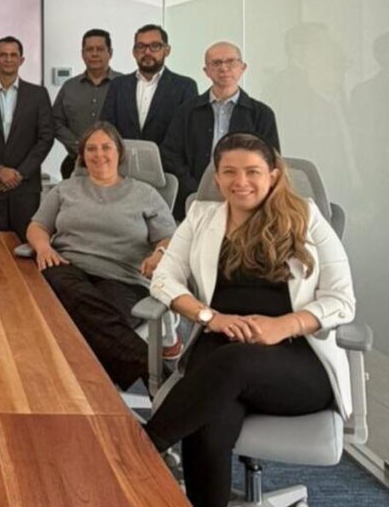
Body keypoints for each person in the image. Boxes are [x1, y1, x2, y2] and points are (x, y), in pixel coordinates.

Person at [144, 133, 355, 507]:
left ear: (273, 175)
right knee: (207, 428)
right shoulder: (202, 216)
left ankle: (138, 450)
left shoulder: (307, 217)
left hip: (295, 360)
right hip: (220, 347)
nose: (240, 181)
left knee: (231, 363)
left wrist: (283, 326)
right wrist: (210, 317)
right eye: (229, 172)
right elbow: (164, 279)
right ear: (217, 177)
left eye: (252, 171)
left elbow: (342, 300)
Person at [26, 122, 176, 389]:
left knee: (83, 323)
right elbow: (38, 226)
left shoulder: (145, 193)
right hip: (67, 267)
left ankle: (71, 392)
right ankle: (163, 382)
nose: (99, 155)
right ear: (82, 156)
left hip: (123, 278)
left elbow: (168, 237)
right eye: (91, 149)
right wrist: (44, 248)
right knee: (90, 314)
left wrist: (159, 254)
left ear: (119, 152)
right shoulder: (65, 189)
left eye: (106, 147)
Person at [162, 41, 279, 219]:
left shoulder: (261, 114)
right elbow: (170, 155)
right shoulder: (187, 111)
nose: (224, 68)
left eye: (231, 61)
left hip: (246, 199)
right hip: (194, 200)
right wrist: (197, 188)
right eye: (216, 63)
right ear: (206, 71)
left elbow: (271, 160)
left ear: (243, 67)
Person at [0, 36, 54, 241]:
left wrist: (19, 174)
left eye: (13, 55)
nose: (8, 59)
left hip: (26, 186)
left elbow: (46, 138)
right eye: (3, 55)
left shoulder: (38, 95)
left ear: (21, 60)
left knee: (27, 244)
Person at [101, 24, 198, 146]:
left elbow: (188, 133)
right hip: (124, 157)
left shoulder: (184, 87)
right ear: (134, 52)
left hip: (167, 158)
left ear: (167, 50)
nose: (147, 52)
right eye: (141, 47)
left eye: (155, 46)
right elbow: (106, 128)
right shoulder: (118, 85)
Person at [53, 29, 123, 178]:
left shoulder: (125, 85)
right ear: (82, 54)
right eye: (89, 49)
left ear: (110, 53)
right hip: (75, 164)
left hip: (116, 166)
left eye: (100, 49)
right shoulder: (69, 87)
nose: (94, 54)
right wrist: (78, 146)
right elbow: (55, 122)